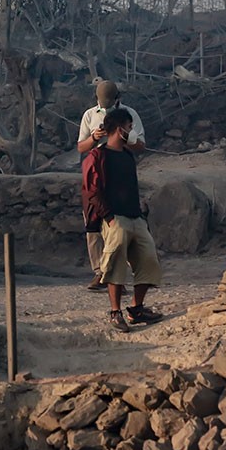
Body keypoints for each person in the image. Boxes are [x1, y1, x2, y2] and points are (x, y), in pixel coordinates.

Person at [81, 108, 164, 332]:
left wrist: (140, 215)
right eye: (129, 127)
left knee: (148, 260)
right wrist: (108, 218)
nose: (131, 131)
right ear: (120, 129)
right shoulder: (98, 156)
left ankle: (137, 308)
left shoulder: (127, 155)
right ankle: (115, 311)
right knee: (115, 263)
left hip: (135, 217)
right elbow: (92, 190)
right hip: (115, 219)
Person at [77, 80, 146, 292]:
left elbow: (141, 145)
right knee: (94, 224)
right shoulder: (90, 115)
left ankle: (117, 275)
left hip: (118, 172)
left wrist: (121, 138)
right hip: (97, 169)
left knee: (118, 226)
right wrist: (94, 138)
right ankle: (100, 272)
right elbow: (81, 147)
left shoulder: (128, 115)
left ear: (118, 98)